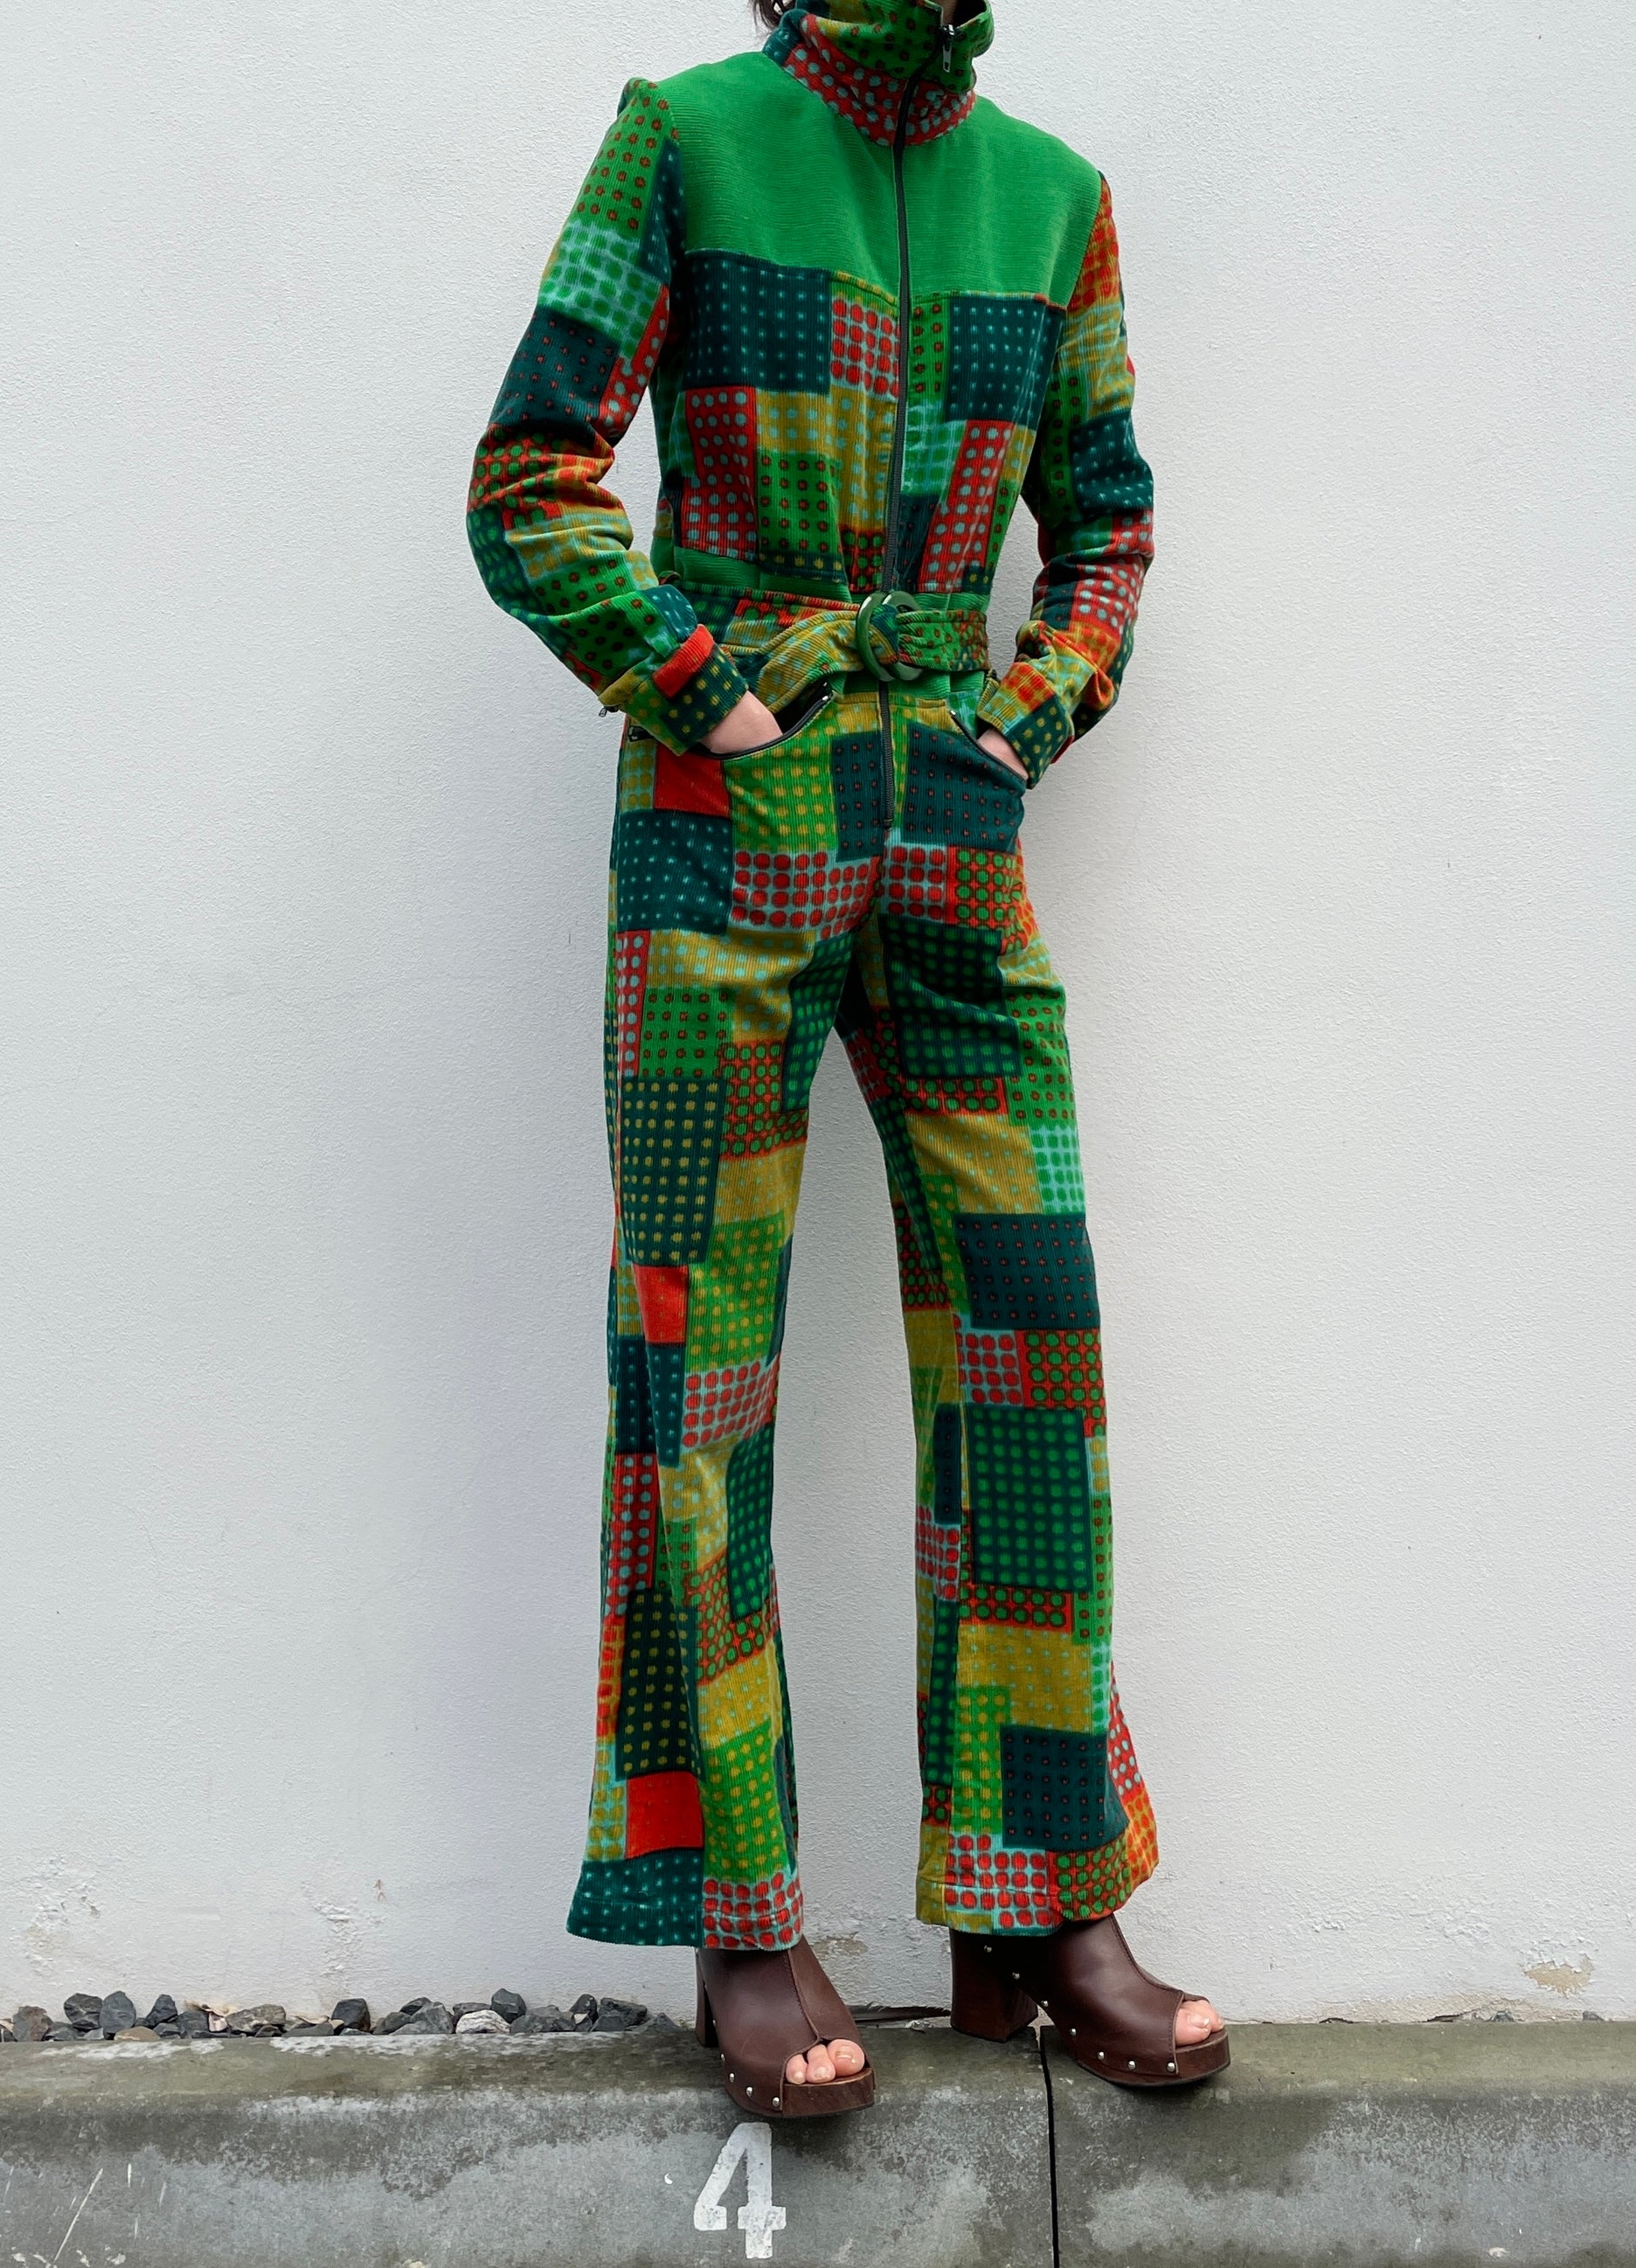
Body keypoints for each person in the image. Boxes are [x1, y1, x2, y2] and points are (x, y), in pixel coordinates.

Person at [468, 0, 1228, 2119]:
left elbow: (1106, 523)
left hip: (950, 839)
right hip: (724, 830)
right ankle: (740, 1910)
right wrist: (701, 687)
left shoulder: (1050, 196)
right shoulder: (687, 135)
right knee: (696, 1358)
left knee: (1028, 1341)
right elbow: (531, 481)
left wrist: (1026, 714)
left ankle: (1038, 1901)